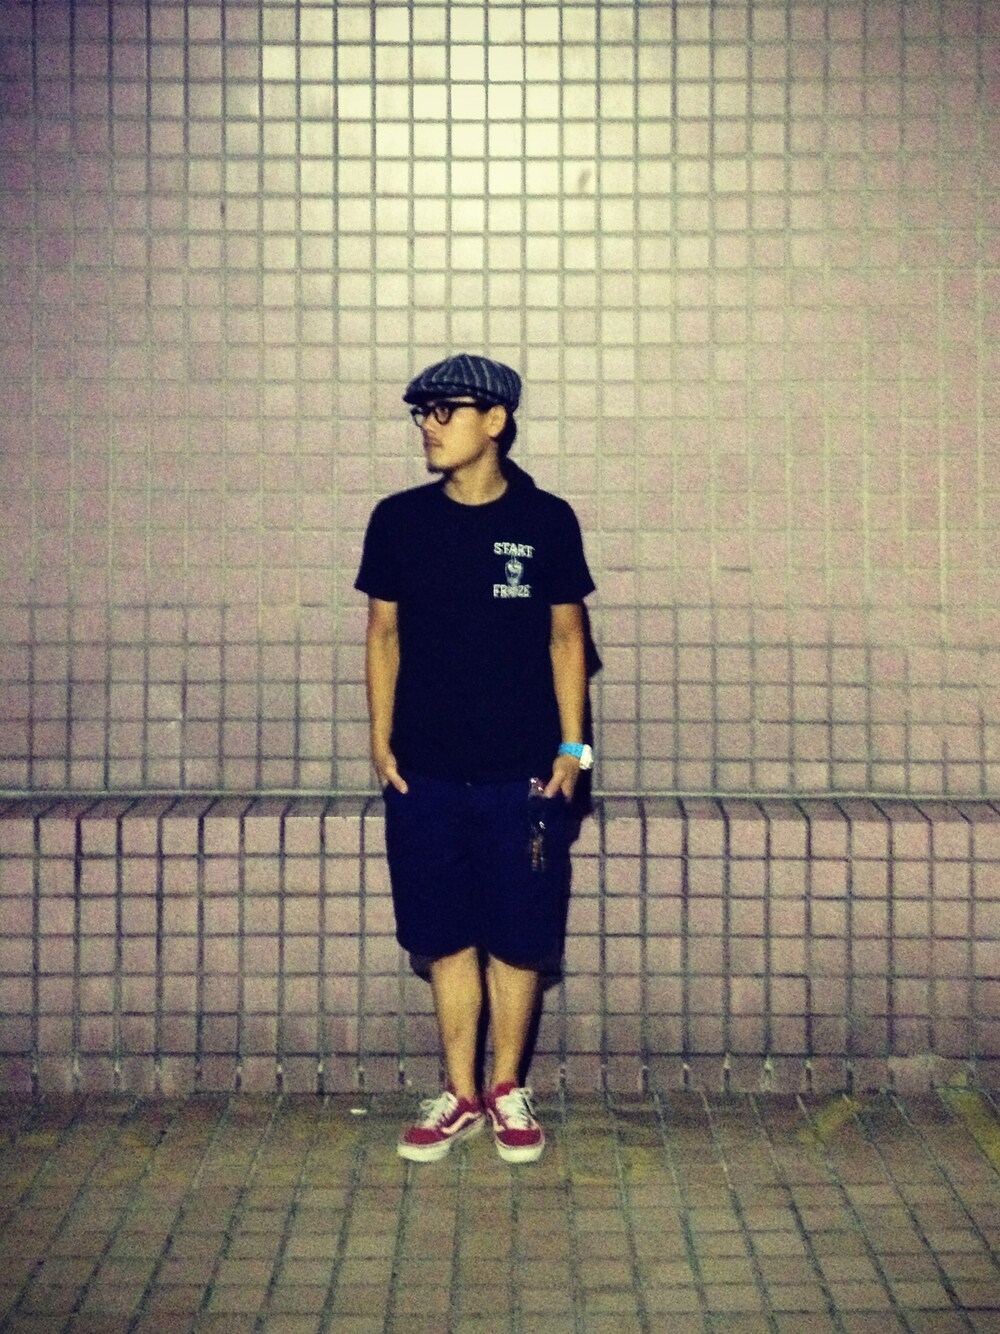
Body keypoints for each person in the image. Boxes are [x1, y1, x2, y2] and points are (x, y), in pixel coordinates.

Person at [354, 353, 595, 1163]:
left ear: (495, 420)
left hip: (523, 773)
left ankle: (506, 1088)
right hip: (423, 770)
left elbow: (568, 638)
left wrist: (573, 747)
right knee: (445, 932)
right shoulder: (398, 520)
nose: (428, 425)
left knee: (519, 935)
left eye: (444, 410)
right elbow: (382, 633)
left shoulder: (546, 519)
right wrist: (380, 739)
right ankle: (459, 1093)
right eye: (420, 411)